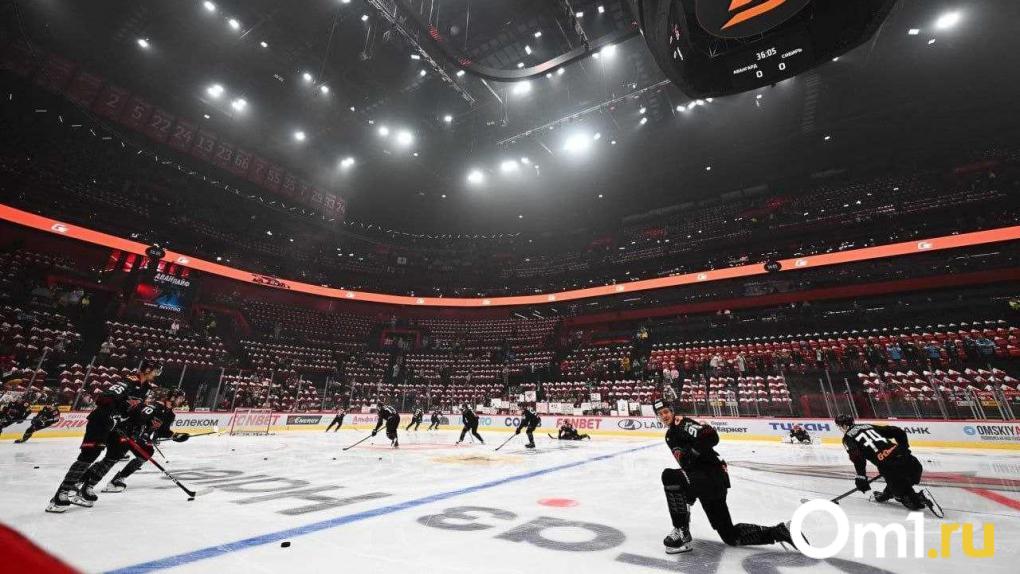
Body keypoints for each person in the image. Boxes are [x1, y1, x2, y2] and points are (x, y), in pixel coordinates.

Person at [653, 399, 794, 554]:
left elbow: (711, 437)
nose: (664, 416)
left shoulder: (683, 424)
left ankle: (681, 531)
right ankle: (780, 532)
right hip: (703, 481)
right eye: (660, 414)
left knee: (670, 476)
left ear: (672, 411)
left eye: (666, 412)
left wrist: (693, 452)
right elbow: (685, 464)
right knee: (730, 536)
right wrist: (688, 493)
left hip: (711, 476)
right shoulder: (669, 436)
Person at [46, 361, 161, 513]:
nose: (157, 374)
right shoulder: (128, 382)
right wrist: (113, 413)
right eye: (156, 371)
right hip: (101, 421)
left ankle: (88, 486)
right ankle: (62, 493)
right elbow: (104, 398)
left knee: (115, 455)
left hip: (118, 426)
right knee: (89, 456)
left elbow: (134, 410)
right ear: (147, 369)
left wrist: (147, 421)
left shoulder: (146, 389)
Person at [90, 388, 190, 495]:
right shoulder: (155, 406)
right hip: (127, 433)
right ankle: (85, 480)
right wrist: (136, 432)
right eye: (180, 398)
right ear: (172, 397)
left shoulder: (170, 415)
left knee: (147, 452)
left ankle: (117, 480)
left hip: (138, 438)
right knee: (112, 458)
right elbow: (136, 417)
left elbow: (162, 431)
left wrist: (174, 435)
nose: (181, 401)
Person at [835, 414, 932, 512]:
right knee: (904, 481)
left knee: (911, 501)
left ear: (844, 425)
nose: (839, 428)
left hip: (888, 465)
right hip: (908, 459)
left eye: (839, 426)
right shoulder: (867, 426)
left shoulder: (847, 438)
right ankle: (888, 494)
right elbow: (897, 431)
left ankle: (920, 497)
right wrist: (904, 447)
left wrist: (861, 476)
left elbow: (857, 458)